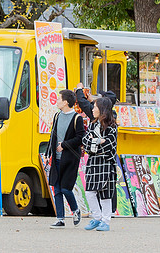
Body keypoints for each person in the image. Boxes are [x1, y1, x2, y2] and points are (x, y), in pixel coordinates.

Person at [45, 89, 85, 228]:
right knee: (56, 189)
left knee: (65, 189)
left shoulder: (77, 118)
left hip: (70, 159)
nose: (57, 101)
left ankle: (75, 210)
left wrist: (65, 145)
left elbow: (80, 138)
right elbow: (52, 136)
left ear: (66, 102)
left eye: (59, 99)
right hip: (56, 159)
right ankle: (60, 218)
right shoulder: (57, 116)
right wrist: (47, 154)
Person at [81, 96, 119, 232]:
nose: (93, 109)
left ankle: (105, 221)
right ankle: (97, 217)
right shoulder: (92, 125)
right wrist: (98, 142)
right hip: (93, 163)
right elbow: (85, 143)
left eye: (95, 107)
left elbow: (108, 147)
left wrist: (94, 142)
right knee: (90, 192)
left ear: (102, 109)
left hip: (106, 164)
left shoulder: (112, 127)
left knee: (105, 194)